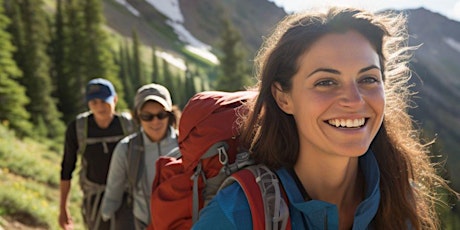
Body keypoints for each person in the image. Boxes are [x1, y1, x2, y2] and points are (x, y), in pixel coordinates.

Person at [193, 6, 451, 230]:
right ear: (284, 98)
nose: (355, 100)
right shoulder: (237, 214)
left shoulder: (399, 197)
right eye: (326, 82)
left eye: (368, 79)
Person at [100, 83, 181, 230]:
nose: (155, 121)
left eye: (161, 114)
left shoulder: (185, 145)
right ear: (138, 117)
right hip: (142, 223)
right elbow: (113, 191)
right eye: (147, 116)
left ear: (170, 114)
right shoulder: (126, 148)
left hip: (180, 224)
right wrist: (105, 217)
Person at [59, 78, 135, 230]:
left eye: (104, 101)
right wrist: (63, 208)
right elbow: (67, 168)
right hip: (95, 198)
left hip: (126, 196)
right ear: (88, 103)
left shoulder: (128, 125)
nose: (99, 106)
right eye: (94, 102)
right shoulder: (78, 128)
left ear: (115, 99)